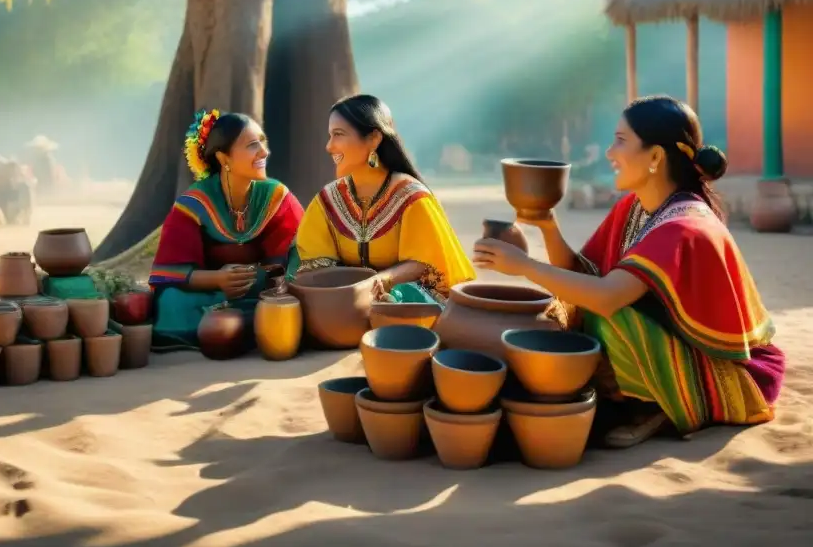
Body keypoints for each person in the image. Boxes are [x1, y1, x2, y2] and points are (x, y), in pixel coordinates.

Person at [472, 95, 785, 448]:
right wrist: (546, 223)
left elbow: (605, 297)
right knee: (571, 305)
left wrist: (525, 267)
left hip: (725, 373)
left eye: (621, 141)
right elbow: (583, 273)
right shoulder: (635, 207)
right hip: (667, 340)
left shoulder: (682, 225)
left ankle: (653, 405)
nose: (609, 153)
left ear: (654, 157)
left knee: (602, 316)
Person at [291, 94, 475, 300]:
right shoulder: (327, 201)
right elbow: (313, 263)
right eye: (330, 135)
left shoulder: (411, 197)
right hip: (346, 303)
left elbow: (427, 262)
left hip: (404, 304)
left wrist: (382, 281)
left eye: (339, 134)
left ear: (374, 139)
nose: (329, 146)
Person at [148, 110, 304, 351]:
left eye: (263, 142)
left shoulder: (277, 196)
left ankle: (250, 322)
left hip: (263, 290)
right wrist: (218, 279)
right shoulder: (193, 204)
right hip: (211, 293)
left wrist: (277, 281)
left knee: (295, 298)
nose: (264, 152)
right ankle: (248, 326)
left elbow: (299, 251)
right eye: (253, 145)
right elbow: (171, 273)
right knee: (171, 301)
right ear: (224, 159)